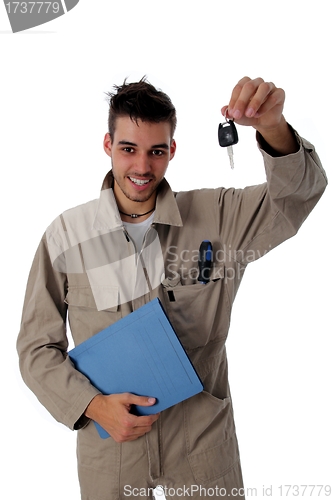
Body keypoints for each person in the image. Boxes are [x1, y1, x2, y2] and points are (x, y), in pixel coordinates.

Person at [17, 76, 327, 500]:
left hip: (202, 441)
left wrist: (273, 126)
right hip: (112, 445)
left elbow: (296, 199)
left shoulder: (218, 217)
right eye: (129, 149)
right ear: (108, 145)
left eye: (156, 151)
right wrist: (92, 406)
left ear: (172, 151)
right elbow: (36, 349)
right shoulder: (66, 235)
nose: (142, 167)